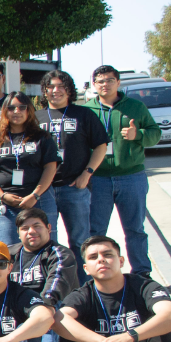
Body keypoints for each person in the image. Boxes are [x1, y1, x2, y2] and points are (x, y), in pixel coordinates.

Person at [83, 65, 161, 276]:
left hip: (131, 176)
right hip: (97, 180)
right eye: (100, 81)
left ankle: (142, 273)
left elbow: (155, 134)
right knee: (95, 231)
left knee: (135, 229)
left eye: (109, 80)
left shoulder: (135, 107)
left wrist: (139, 135)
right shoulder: (87, 110)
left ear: (118, 83)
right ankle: (94, 273)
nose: (105, 84)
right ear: (94, 85)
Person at [38, 70, 108, 275]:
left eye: (61, 86)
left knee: (80, 241)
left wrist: (86, 174)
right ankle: (56, 286)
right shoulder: (36, 117)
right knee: (48, 243)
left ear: (69, 90)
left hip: (75, 188)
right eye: (50, 86)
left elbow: (101, 145)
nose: (55, 90)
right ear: (44, 91)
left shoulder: (84, 114)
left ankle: (85, 286)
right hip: (45, 190)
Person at [0, 92, 58, 245]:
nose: (17, 111)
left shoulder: (42, 137)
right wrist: (1, 195)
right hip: (6, 205)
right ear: (4, 111)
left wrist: (35, 195)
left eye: (22, 107)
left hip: (39, 200)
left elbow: (50, 167)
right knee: (7, 248)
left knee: (44, 246)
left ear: (29, 110)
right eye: (11, 108)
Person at [8, 208, 78, 342]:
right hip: (19, 312)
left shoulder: (60, 253)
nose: (31, 231)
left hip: (52, 317)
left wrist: (41, 309)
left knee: (49, 307)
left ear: (48, 228)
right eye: (25, 228)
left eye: (36, 226)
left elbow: (56, 287)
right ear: (18, 233)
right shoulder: (9, 254)